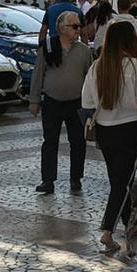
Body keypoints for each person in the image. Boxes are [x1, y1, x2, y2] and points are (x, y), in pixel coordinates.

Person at [80, 21, 137, 254]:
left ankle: (128, 226)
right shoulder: (136, 66)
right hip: (130, 131)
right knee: (122, 184)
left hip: (104, 132)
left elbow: (87, 103)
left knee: (118, 181)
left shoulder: (97, 67)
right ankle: (107, 231)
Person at [29, 12, 92, 195]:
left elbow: (90, 78)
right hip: (52, 102)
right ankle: (48, 180)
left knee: (78, 142)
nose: (78, 29)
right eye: (74, 26)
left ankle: (76, 178)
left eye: (79, 26)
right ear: (62, 29)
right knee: (50, 141)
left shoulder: (84, 50)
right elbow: (38, 73)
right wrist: (34, 100)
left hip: (77, 103)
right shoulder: (48, 47)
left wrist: (92, 104)